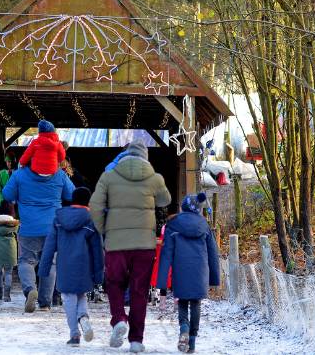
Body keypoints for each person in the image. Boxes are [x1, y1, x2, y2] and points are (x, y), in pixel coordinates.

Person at [90, 140, 171, 353]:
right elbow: (165, 200)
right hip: (144, 245)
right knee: (139, 290)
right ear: (145, 157)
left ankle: (118, 319)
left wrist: (103, 230)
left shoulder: (108, 177)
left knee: (114, 283)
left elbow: (95, 206)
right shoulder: (155, 178)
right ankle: (136, 340)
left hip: (116, 243)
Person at [2, 149, 76, 313]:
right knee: (49, 264)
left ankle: (30, 290)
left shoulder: (20, 175)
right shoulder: (59, 174)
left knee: (26, 261)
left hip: (29, 228)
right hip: (53, 227)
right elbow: (72, 194)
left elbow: (7, 194)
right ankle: (45, 303)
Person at [38, 187, 105, 346]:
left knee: (68, 298)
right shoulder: (91, 219)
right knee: (81, 294)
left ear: (72, 200)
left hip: (65, 265)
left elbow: (49, 246)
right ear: (88, 202)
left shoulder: (59, 219)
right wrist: (99, 274)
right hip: (84, 265)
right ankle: (83, 317)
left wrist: (44, 268)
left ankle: (74, 334)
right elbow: (97, 249)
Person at [155, 193, 221, 353]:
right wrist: (214, 278)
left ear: (183, 207)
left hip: (181, 270)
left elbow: (166, 254)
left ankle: (184, 327)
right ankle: (192, 340)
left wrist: (162, 282)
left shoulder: (173, 224)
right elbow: (213, 253)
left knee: (183, 302)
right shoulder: (204, 225)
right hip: (200, 271)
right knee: (196, 304)